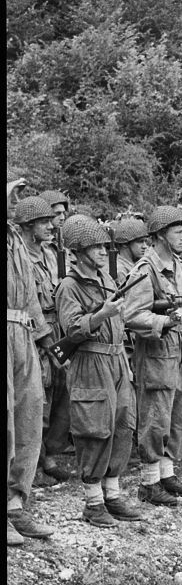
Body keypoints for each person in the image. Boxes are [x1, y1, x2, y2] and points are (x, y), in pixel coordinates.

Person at [55, 215, 144, 526]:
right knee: (94, 428)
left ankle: (113, 495)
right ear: (79, 252)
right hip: (90, 362)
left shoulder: (107, 278)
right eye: (96, 247)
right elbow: (71, 328)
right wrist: (102, 314)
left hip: (117, 359)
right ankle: (93, 502)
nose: (103, 252)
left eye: (104, 246)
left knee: (122, 424)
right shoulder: (69, 286)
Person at [123, 206, 182, 506]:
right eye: (178, 232)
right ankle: (149, 482)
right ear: (160, 235)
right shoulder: (145, 270)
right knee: (155, 418)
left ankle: (167, 473)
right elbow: (132, 315)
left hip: (179, 351)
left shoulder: (180, 266)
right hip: (157, 353)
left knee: (179, 418)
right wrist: (166, 321)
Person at [7, 178, 56, 546]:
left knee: (29, 415)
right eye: (12, 196)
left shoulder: (19, 246)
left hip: (23, 335)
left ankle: (15, 503)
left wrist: (47, 341)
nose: (14, 202)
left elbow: (32, 300)